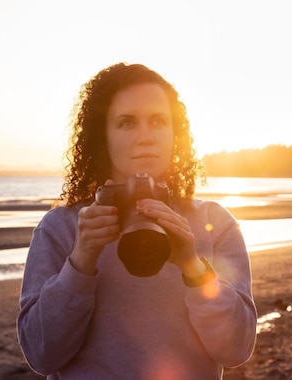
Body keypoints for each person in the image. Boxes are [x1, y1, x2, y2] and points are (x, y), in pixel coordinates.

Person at [17, 63, 257, 379]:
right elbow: (41, 354)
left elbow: (236, 349)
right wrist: (81, 260)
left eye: (158, 121)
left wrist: (194, 267)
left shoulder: (214, 222)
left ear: (175, 134)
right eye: (127, 123)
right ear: (103, 135)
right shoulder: (62, 227)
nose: (145, 137)